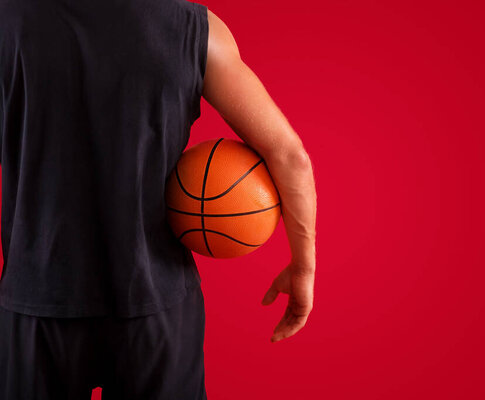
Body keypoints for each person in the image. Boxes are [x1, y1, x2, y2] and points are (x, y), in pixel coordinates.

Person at [0, 0, 316, 399]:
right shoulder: (194, 29)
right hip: (155, 303)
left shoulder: (6, 21)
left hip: (35, 302)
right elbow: (291, 157)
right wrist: (302, 269)